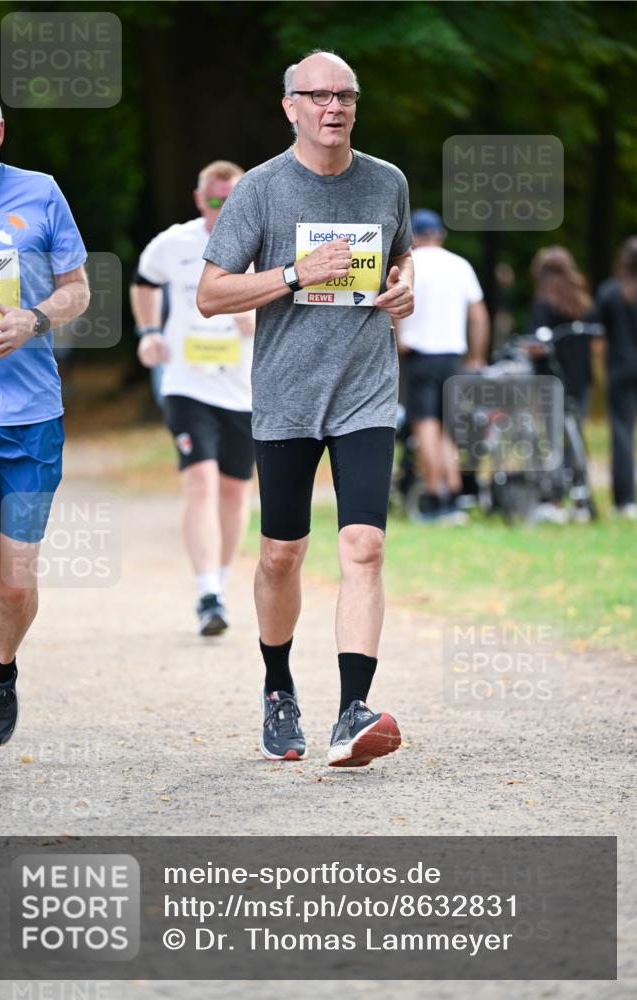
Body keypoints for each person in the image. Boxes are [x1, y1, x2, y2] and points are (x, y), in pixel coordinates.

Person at [197, 50, 414, 767]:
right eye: (318, 95)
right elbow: (211, 294)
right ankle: (278, 687)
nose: (333, 106)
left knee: (365, 545)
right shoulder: (259, 190)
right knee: (281, 554)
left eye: (345, 95)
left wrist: (404, 287)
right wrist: (293, 274)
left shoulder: (387, 182)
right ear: (290, 106)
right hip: (287, 396)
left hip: (365, 391)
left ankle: (353, 710)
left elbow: (402, 257)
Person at [0, 82, 90, 794]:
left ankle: (2, 665)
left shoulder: (39, 193)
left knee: (14, 583)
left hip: (29, 416)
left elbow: (78, 289)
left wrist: (34, 319)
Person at [131, 161, 255, 635]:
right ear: (200, 198)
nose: (223, 208)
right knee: (201, 481)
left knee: (234, 490)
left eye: (232, 198)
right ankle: (206, 592)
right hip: (186, 382)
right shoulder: (174, 243)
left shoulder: (262, 243)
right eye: (215, 199)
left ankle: (219, 583)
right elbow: (144, 281)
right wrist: (148, 332)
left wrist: (253, 319)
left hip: (243, 388)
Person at [396, 209, 489, 523]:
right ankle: (454, 492)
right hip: (453, 357)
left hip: (420, 357)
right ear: (441, 234)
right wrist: (476, 356)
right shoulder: (460, 265)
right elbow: (478, 315)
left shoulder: (410, 264)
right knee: (448, 428)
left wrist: (399, 340)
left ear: (413, 237)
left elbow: (396, 306)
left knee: (425, 427)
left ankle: (435, 494)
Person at [594, 237, 637, 519]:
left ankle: (625, 501)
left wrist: (600, 372)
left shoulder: (610, 292)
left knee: (621, 433)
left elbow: (598, 339)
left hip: (620, 368)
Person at [528, 246, 593, 417]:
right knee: (576, 424)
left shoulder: (543, 304)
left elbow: (537, 342)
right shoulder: (584, 303)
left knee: (554, 426)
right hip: (581, 374)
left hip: (551, 375)